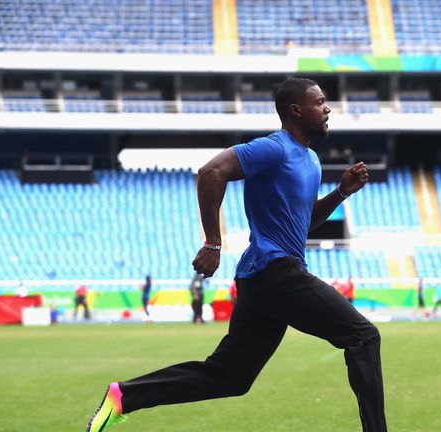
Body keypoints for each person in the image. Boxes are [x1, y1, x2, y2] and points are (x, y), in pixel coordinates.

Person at [87, 78, 386, 432]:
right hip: (276, 271)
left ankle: (123, 397)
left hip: (264, 279)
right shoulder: (274, 148)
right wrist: (213, 242)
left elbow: (302, 225)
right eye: (320, 102)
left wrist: (340, 194)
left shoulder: (312, 161)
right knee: (363, 336)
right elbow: (212, 171)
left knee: (230, 376)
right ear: (296, 111)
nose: (327, 109)